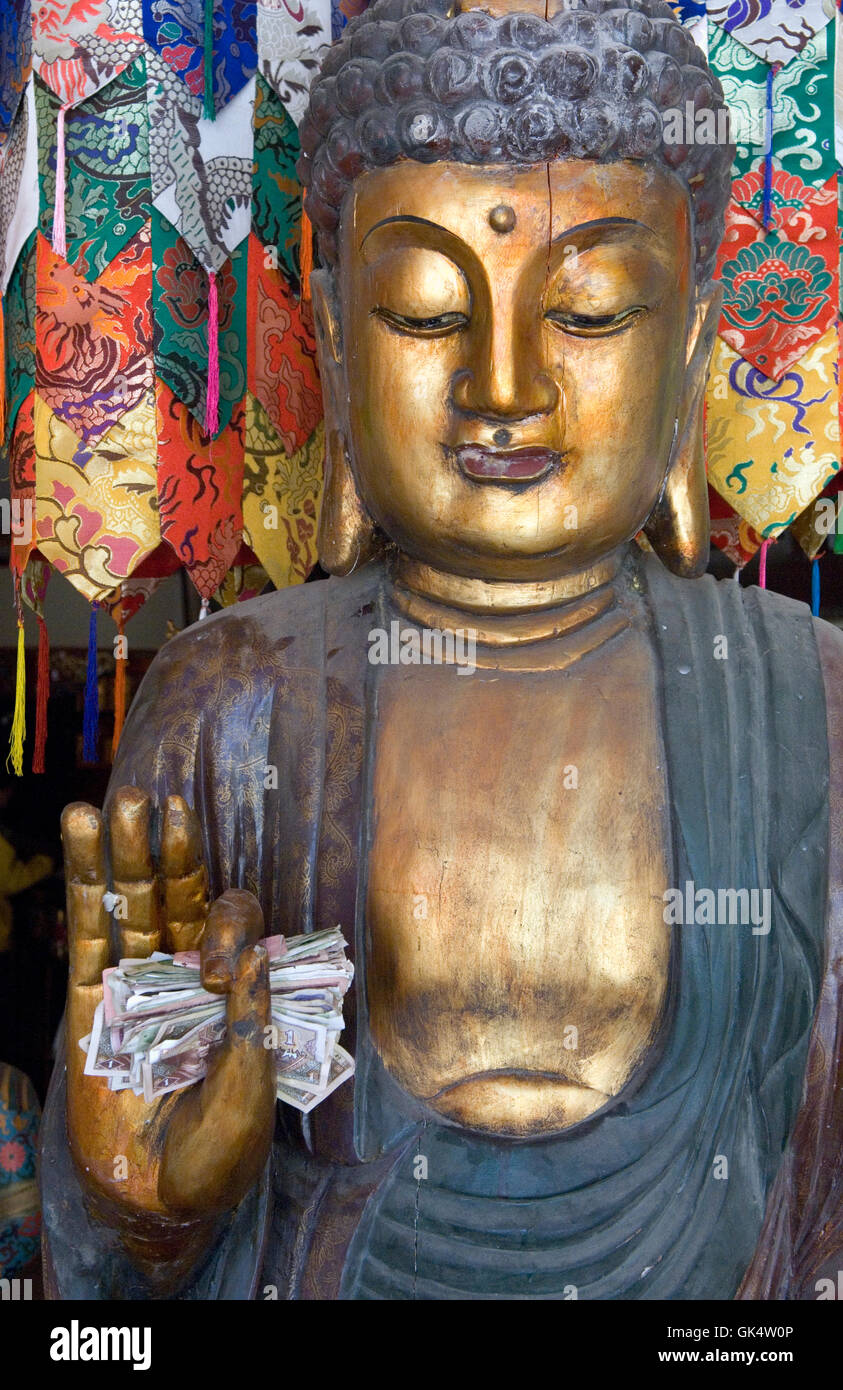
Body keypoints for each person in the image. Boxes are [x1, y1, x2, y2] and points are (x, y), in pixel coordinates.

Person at [40, 0, 842, 1299]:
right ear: (336, 341)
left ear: (691, 343)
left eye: (588, 309)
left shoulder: (814, 708)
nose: (504, 386)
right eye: (421, 310)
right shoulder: (234, 700)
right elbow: (102, 1282)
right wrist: (151, 1219)